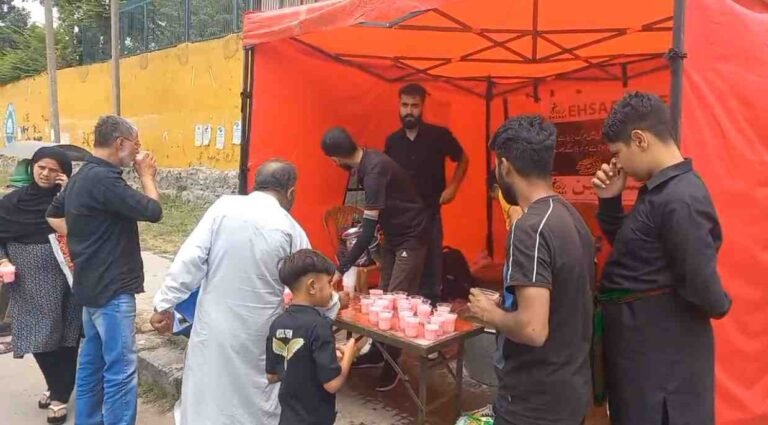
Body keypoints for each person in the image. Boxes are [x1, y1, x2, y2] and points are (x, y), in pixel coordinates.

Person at [150, 159, 343, 425]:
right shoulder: (290, 229)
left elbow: (189, 261)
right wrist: (333, 304)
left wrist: (164, 304)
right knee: (254, 401)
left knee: (210, 391)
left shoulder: (222, 208)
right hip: (259, 333)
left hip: (215, 328)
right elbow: (311, 285)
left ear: (256, 184)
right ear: (290, 192)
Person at [592, 92, 731, 425]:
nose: (618, 164)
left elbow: (701, 284)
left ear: (639, 140)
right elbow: (635, 254)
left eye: (618, 153)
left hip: (661, 368)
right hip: (642, 362)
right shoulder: (660, 192)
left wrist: (719, 303)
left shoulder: (680, 198)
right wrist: (610, 201)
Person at [467, 115, 594, 425]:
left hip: (534, 404)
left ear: (505, 166)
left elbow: (533, 330)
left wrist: (490, 313)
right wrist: (507, 304)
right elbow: (561, 300)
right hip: (570, 392)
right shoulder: (570, 215)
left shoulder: (529, 229)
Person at [46, 115, 163, 425]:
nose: (138, 150)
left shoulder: (83, 175)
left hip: (90, 284)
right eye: (136, 144)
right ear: (120, 143)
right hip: (112, 289)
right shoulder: (105, 180)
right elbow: (153, 211)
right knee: (120, 369)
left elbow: (53, 214)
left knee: (92, 364)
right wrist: (147, 175)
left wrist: (85, 238)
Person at [321, 127, 429, 391]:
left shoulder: (374, 172)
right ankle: (377, 353)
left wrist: (341, 267)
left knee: (396, 301)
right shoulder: (367, 162)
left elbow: (367, 230)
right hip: (392, 234)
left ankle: (392, 366)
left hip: (412, 236)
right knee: (384, 296)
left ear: (335, 159)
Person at [0, 147, 81, 424]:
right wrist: (2, 260)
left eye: (53, 169)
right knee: (38, 336)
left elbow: (83, 229)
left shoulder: (69, 200)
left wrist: (68, 194)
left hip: (66, 279)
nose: (46, 173)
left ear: (64, 173)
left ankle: (59, 393)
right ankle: (56, 384)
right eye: (41, 167)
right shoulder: (12, 202)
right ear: (32, 167)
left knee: (67, 336)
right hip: (26, 282)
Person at [384, 83, 469, 304]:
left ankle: (429, 313)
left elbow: (462, 158)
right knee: (401, 279)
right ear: (399, 106)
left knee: (431, 276)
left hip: (430, 214)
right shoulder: (392, 141)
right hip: (402, 220)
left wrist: (453, 187)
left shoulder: (438, 135)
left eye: (414, 105)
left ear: (422, 106)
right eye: (405, 105)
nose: (409, 111)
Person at [266, 249, 367, 425]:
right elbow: (332, 384)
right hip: (315, 418)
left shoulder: (278, 323)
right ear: (312, 286)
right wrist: (349, 355)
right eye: (329, 283)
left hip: (288, 417)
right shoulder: (319, 326)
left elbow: (272, 375)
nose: (332, 290)